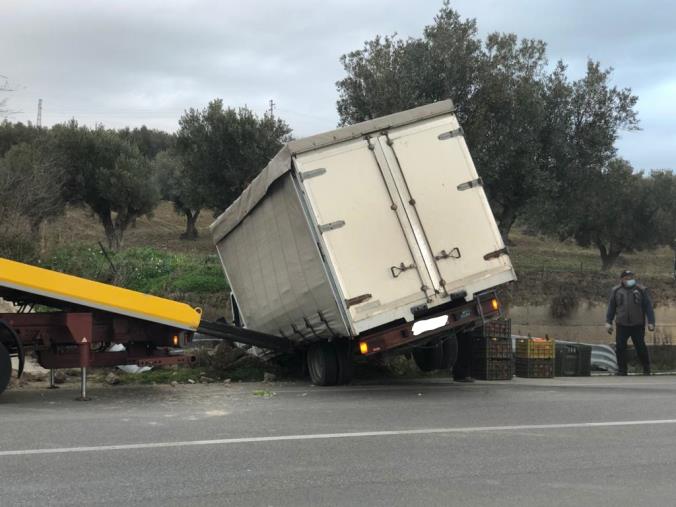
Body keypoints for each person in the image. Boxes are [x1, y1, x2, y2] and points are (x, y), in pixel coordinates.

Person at [605, 270, 655, 375]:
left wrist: (651, 322)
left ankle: (646, 368)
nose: (629, 280)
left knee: (641, 347)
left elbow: (648, 307)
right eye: (626, 278)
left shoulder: (641, 290)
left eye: (631, 277)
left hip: (637, 324)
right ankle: (622, 370)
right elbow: (611, 307)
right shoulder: (616, 290)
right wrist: (608, 322)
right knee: (620, 348)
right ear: (621, 279)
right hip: (622, 324)